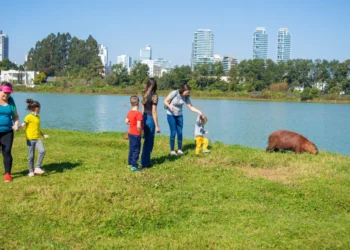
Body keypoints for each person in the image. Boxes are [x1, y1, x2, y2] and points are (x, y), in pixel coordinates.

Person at [164, 84, 202, 156]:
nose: (188, 93)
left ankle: (179, 150)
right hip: (171, 114)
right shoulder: (174, 93)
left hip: (179, 115)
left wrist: (198, 111)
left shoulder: (186, 97)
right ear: (183, 90)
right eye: (187, 92)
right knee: (173, 132)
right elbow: (165, 101)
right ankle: (172, 150)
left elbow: (190, 107)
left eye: (189, 92)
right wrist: (170, 106)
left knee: (180, 132)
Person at [20, 99, 48, 177]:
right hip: (30, 139)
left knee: (42, 151)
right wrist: (18, 128)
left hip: (37, 138)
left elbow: (38, 128)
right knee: (31, 156)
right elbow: (23, 124)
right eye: (40, 108)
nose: (40, 110)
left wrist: (43, 135)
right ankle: (31, 171)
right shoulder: (28, 117)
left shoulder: (38, 117)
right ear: (37, 108)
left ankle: (37, 167)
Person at [0, 82, 20, 182]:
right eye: (4, 92)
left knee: (6, 151)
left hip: (7, 131)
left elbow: (16, 116)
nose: (6, 95)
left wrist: (16, 124)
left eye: (9, 93)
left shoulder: (11, 101)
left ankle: (7, 174)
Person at [141, 78, 160, 168]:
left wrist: (141, 119)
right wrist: (157, 126)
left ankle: (143, 160)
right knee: (149, 141)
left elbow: (143, 109)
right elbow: (154, 112)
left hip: (144, 117)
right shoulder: (154, 96)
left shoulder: (144, 94)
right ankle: (146, 162)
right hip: (150, 118)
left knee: (145, 140)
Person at [125, 96, 143, 172]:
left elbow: (126, 121)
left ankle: (129, 163)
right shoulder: (139, 114)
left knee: (131, 149)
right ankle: (134, 165)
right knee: (136, 150)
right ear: (139, 103)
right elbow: (139, 125)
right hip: (136, 134)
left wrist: (131, 123)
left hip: (130, 133)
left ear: (130, 104)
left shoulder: (129, 112)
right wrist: (141, 133)